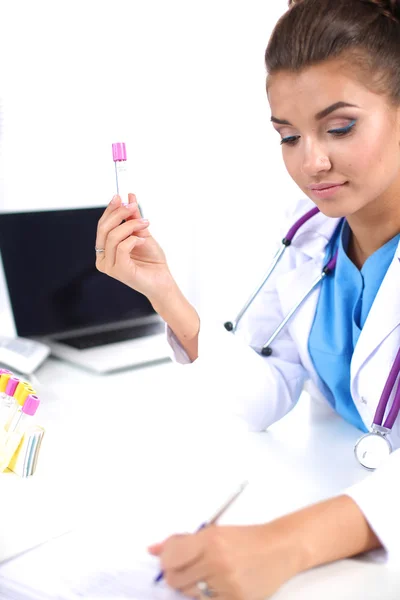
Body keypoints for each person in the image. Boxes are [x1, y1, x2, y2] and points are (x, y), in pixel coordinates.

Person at [95, 0, 400, 597]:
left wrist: (285, 543)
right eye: (288, 136)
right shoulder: (309, 231)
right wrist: (164, 293)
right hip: (333, 492)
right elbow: (268, 391)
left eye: (340, 128)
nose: (311, 162)